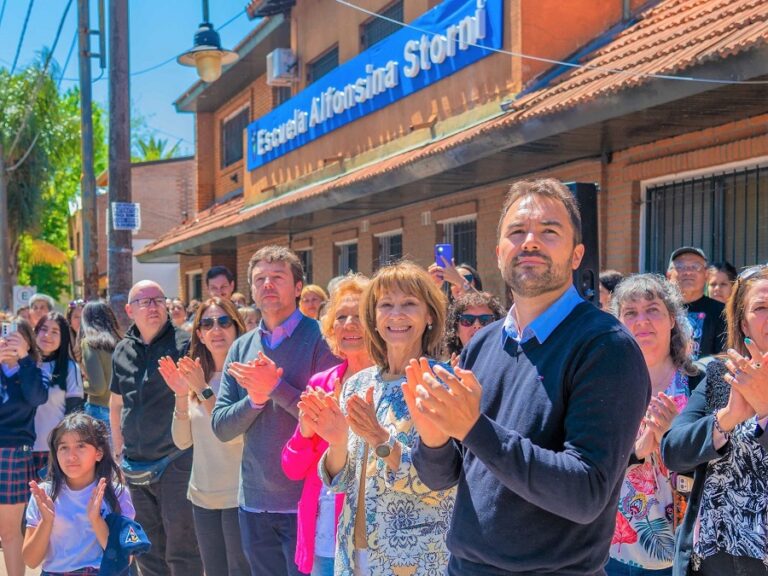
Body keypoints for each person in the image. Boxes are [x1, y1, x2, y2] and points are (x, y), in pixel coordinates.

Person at [407, 178, 651, 575]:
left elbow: (585, 493)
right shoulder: (482, 344)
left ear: (577, 255)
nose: (530, 242)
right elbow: (442, 478)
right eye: (517, 232)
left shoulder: (606, 347)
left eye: (549, 232)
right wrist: (433, 437)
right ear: (499, 252)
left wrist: (473, 427)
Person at [309, 261, 455, 575]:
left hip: (417, 561)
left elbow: (442, 485)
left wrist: (380, 440)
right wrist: (335, 441)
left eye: (409, 304)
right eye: (386, 305)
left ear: (429, 315)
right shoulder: (358, 385)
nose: (396, 314)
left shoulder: (443, 384)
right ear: (373, 319)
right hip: (353, 559)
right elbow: (342, 483)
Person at [212, 246, 337, 576]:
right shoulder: (241, 346)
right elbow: (222, 427)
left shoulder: (323, 341)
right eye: (260, 279)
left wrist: (275, 389)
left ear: (298, 288)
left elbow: (328, 420)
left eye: (277, 277)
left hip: (306, 503)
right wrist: (254, 400)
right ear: (252, 290)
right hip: (253, 502)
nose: (267, 284)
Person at [661, 264, 768, 575]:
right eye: (760, 308)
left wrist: (764, 410)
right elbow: (674, 452)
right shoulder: (720, 378)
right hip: (710, 559)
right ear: (743, 325)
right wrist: (727, 417)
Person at [606, 274, 702, 576]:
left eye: (653, 310)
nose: (642, 320)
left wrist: (676, 438)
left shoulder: (701, 381)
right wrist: (638, 450)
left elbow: (721, 458)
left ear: (672, 318)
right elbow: (588, 460)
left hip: (687, 548)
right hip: (612, 548)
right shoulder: (603, 382)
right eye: (630, 312)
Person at [281, 274, 373, 576]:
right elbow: (293, 469)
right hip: (323, 535)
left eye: (359, 316)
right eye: (341, 317)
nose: (349, 324)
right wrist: (306, 433)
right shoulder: (321, 383)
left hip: (372, 536)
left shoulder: (390, 383)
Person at [110, 280, 202, 576]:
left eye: (158, 300)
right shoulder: (122, 350)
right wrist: (117, 447)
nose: (153, 306)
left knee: (183, 552)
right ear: (129, 310)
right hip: (135, 465)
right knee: (145, 551)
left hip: (176, 461)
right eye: (144, 301)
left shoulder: (185, 344)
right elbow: (116, 402)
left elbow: (199, 396)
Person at [158, 297, 249, 576]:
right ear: (199, 333)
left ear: (236, 327)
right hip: (202, 496)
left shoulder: (244, 377)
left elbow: (234, 436)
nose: (216, 329)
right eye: (207, 323)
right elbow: (182, 441)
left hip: (239, 497)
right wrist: (181, 395)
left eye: (224, 321)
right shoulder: (196, 377)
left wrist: (203, 390)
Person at [22, 413, 136, 574]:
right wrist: (46, 522)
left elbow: (126, 558)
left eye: (81, 446)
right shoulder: (44, 494)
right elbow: (30, 560)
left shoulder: (116, 493)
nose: (71, 456)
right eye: (63, 447)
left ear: (99, 453)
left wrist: (96, 520)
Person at [0, 320, 46, 576]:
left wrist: (25, 360)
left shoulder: (32, 371)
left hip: (13, 453)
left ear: (28, 343)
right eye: (6, 337)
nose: (10, 342)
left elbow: (37, 398)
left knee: (8, 531)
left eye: (18, 338)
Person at [33, 312, 85, 476]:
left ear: (63, 338)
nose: (47, 335)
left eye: (55, 331)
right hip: (21, 448)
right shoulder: (24, 364)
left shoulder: (70, 368)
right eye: (43, 329)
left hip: (52, 450)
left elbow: (74, 413)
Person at [666, 247, 726, 359]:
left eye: (695, 266)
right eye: (680, 266)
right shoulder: (660, 310)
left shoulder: (722, 312)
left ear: (706, 275)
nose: (688, 272)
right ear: (669, 275)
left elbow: (723, 356)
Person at [79, 301, 122, 427]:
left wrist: (78, 385)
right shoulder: (121, 343)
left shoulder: (89, 343)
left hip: (98, 412)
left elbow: (98, 388)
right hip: (120, 412)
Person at [443, 291, 505, 358]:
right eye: (468, 320)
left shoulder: (508, 366)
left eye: (486, 320)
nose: (477, 325)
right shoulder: (440, 368)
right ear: (456, 330)